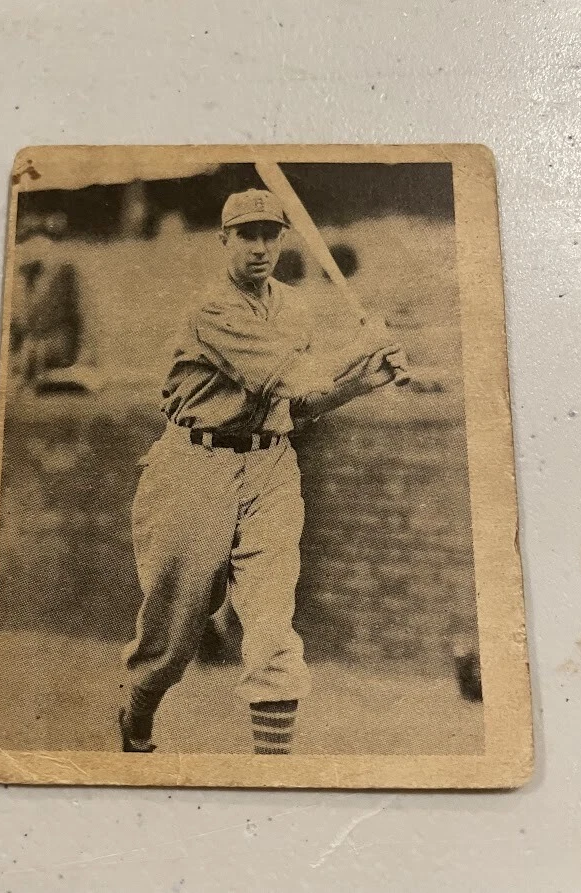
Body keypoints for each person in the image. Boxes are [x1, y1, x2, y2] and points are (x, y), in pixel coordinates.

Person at [119, 188, 405, 755]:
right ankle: (137, 706)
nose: (259, 247)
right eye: (246, 235)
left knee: (272, 625)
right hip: (194, 466)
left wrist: (365, 381)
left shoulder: (293, 307)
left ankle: (270, 773)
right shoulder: (212, 309)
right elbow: (296, 377)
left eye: (270, 235)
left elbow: (297, 407)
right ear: (224, 241)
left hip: (271, 467)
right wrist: (362, 345)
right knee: (173, 640)